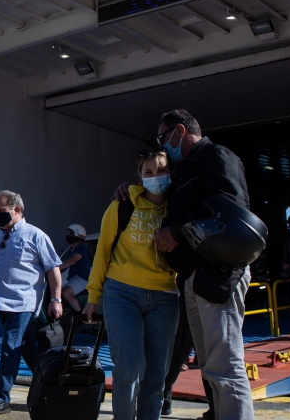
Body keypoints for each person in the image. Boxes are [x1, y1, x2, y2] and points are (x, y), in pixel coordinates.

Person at [118, 109, 254, 420]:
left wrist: (177, 232)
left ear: (180, 132)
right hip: (196, 277)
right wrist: (129, 188)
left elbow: (231, 210)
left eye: (163, 139)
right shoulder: (185, 170)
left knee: (225, 367)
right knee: (211, 366)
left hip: (218, 273)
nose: (163, 147)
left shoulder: (217, 157)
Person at [84, 148, 178, 420]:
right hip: (121, 293)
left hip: (165, 297)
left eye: (161, 170)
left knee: (156, 374)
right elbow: (102, 250)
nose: (156, 176)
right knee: (130, 367)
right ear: (140, 176)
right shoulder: (122, 205)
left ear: (171, 172)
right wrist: (93, 296)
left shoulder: (179, 208)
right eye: (148, 172)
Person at [0, 190, 63, 415]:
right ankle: (50, 386)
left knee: (10, 344)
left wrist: (56, 299)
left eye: (1, 211)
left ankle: (1, 397)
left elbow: (53, 268)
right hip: (1, 302)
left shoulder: (35, 236)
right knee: (26, 347)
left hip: (24, 302)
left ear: (17, 210)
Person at [58, 223, 91, 313]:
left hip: (82, 278)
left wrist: (57, 269)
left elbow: (73, 260)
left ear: (77, 235)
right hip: (73, 278)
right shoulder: (72, 250)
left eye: (70, 233)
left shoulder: (81, 248)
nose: (68, 236)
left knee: (66, 292)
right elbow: (66, 265)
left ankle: (79, 315)